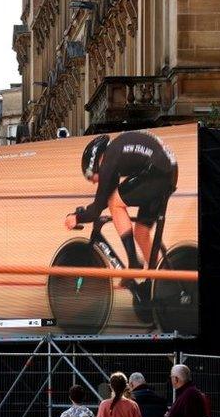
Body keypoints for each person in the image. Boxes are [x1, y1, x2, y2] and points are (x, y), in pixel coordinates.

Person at [66, 131, 179, 309]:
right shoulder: (115, 155)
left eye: (90, 177)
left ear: (95, 163)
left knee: (115, 202)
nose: (93, 182)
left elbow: (100, 206)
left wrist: (77, 217)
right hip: (165, 172)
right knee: (141, 233)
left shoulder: (109, 160)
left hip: (158, 172)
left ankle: (133, 262)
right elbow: (99, 203)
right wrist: (85, 212)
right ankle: (164, 284)